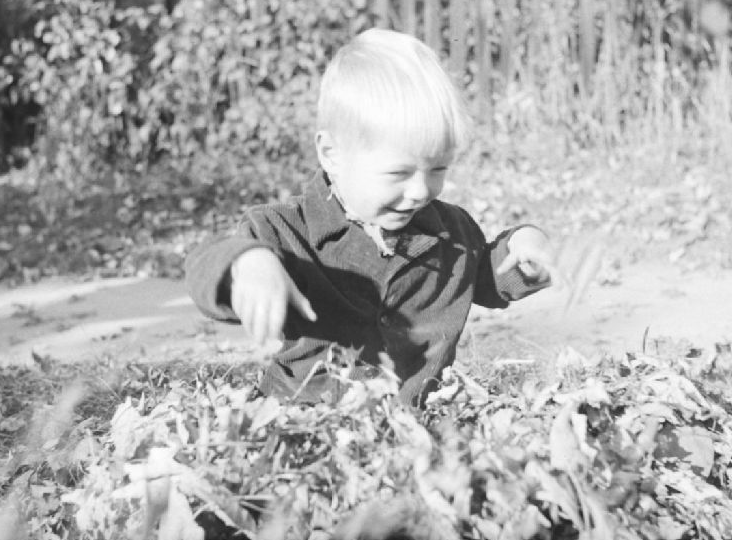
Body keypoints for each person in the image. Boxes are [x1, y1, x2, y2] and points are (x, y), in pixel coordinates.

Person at [186, 28, 556, 407]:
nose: (420, 190)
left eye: (438, 169)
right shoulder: (285, 231)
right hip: (303, 414)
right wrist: (248, 265)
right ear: (331, 154)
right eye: (398, 173)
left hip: (414, 418)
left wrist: (524, 249)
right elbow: (204, 267)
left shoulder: (451, 232)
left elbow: (486, 275)